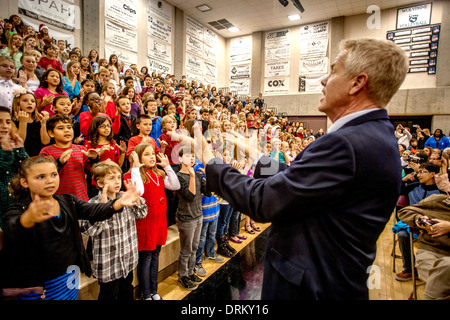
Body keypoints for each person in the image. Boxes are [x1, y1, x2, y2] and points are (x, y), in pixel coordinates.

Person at [171, 38, 409, 299]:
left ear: (357, 83)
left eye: (333, 71)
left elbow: (262, 201)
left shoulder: (346, 143)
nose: (322, 80)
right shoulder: (372, 136)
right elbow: (305, 182)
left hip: (310, 288)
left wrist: (211, 161)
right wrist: (260, 159)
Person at [0, 155, 141, 300]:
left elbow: (94, 210)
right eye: (41, 177)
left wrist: (120, 202)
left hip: (68, 276)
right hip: (38, 284)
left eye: (54, 175)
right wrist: (29, 218)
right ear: (24, 182)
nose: (50, 180)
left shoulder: (68, 201)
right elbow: (12, 227)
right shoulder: (18, 209)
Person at [80, 160, 147, 300]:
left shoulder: (125, 198)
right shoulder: (92, 204)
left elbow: (142, 214)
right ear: (99, 183)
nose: (117, 181)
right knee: (108, 295)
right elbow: (90, 231)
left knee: (127, 291)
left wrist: (137, 199)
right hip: (108, 265)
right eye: (111, 178)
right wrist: (103, 209)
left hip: (127, 260)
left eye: (119, 177)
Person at [124, 145, 179, 300]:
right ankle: (145, 293)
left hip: (159, 222)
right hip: (144, 224)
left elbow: (175, 185)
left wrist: (168, 167)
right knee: (146, 259)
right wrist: (135, 168)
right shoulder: (130, 176)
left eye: (153, 154)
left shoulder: (158, 174)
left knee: (155, 256)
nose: (152, 157)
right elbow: (139, 192)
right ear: (138, 158)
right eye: (146, 154)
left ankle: (154, 291)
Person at [394, 162, 445, 282]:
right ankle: (410, 269)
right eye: (418, 172)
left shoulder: (441, 191)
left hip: (436, 226)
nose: (419, 175)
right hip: (415, 224)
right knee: (403, 235)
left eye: (422, 172)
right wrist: (402, 180)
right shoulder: (414, 186)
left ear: (433, 174)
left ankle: (439, 274)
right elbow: (395, 192)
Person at [398, 194, 450, 300]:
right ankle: (409, 269)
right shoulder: (437, 201)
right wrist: (418, 219)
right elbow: (404, 212)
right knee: (444, 270)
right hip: (431, 252)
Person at [39, 115, 100, 201]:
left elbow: (93, 171)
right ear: (51, 133)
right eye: (60, 128)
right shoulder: (46, 151)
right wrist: (59, 163)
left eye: (69, 127)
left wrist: (94, 159)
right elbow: (44, 175)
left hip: (81, 199)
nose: (66, 130)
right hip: (58, 201)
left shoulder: (81, 149)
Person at [175, 146, 212, 290]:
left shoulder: (196, 174)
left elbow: (208, 192)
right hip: (186, 217)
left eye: (192, 156)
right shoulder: (179, 177)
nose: (191, 159)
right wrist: (191, 175)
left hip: (198, 215)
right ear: (179, 159)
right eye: (187, 156)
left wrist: (207, 177)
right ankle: (182, 276)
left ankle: (190, 272)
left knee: (195, 246)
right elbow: (189, 196)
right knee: (186, 249)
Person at [0, 106, 28, 228]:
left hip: (13, 210)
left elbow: (27, 170)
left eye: (8, 122)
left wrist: (19, 149)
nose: (5, 126)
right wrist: (6, 153)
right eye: (0, 122)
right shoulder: (6, 149)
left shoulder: (11, 145)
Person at [11, 89, 50, 157]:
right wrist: (22, 122)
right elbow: (19, 141)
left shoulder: (38, 120)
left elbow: (45, 142)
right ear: (17, 103)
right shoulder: (12, 121)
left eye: (33, 101)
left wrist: (44, 124)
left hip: (36, 156)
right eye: (25, 100)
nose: (30, 103)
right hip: (20, 157)